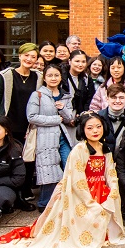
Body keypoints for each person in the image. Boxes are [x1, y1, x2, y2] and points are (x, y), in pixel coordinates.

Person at [0, 112, 125, 248]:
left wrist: (112, 192)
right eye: (90, 128)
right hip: (82, 191)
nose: (95, 131)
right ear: (82, 130)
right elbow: (77, 180)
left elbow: (111, 174)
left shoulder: (105, 149)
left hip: (101, 190)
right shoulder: (80, 149)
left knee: (108, 202)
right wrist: (89, 201)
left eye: (98, 127)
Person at [0, 43, 42, 203]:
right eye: (26, 55)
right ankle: (12, 192)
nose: (29, 59)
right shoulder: (5, 76)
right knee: (11, 159)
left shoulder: (38, 76)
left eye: (33, 57)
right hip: (9, 125)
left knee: (28, 160)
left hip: (29, 126)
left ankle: (25, 190)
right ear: (19, 56)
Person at [27, 64, 76, 211]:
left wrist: (63, 109)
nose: (53, 78)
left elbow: (70, 119)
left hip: (64, 137)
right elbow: (31, 117)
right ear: (44, 77)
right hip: (46, 137)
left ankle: (66, 200)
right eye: (50, 75)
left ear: (61, 77)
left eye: (56, 75)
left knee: (69, 164)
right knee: (48, 168)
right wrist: (55, 119)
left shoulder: (66, 95)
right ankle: (45, 203)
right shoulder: (38, 95)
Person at [96, 84, 125, 152]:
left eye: (121, 98)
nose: (117, 101)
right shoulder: (98, 117)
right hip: (103, 158)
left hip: (124, 160)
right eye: (114, 97)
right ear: (107, 99)